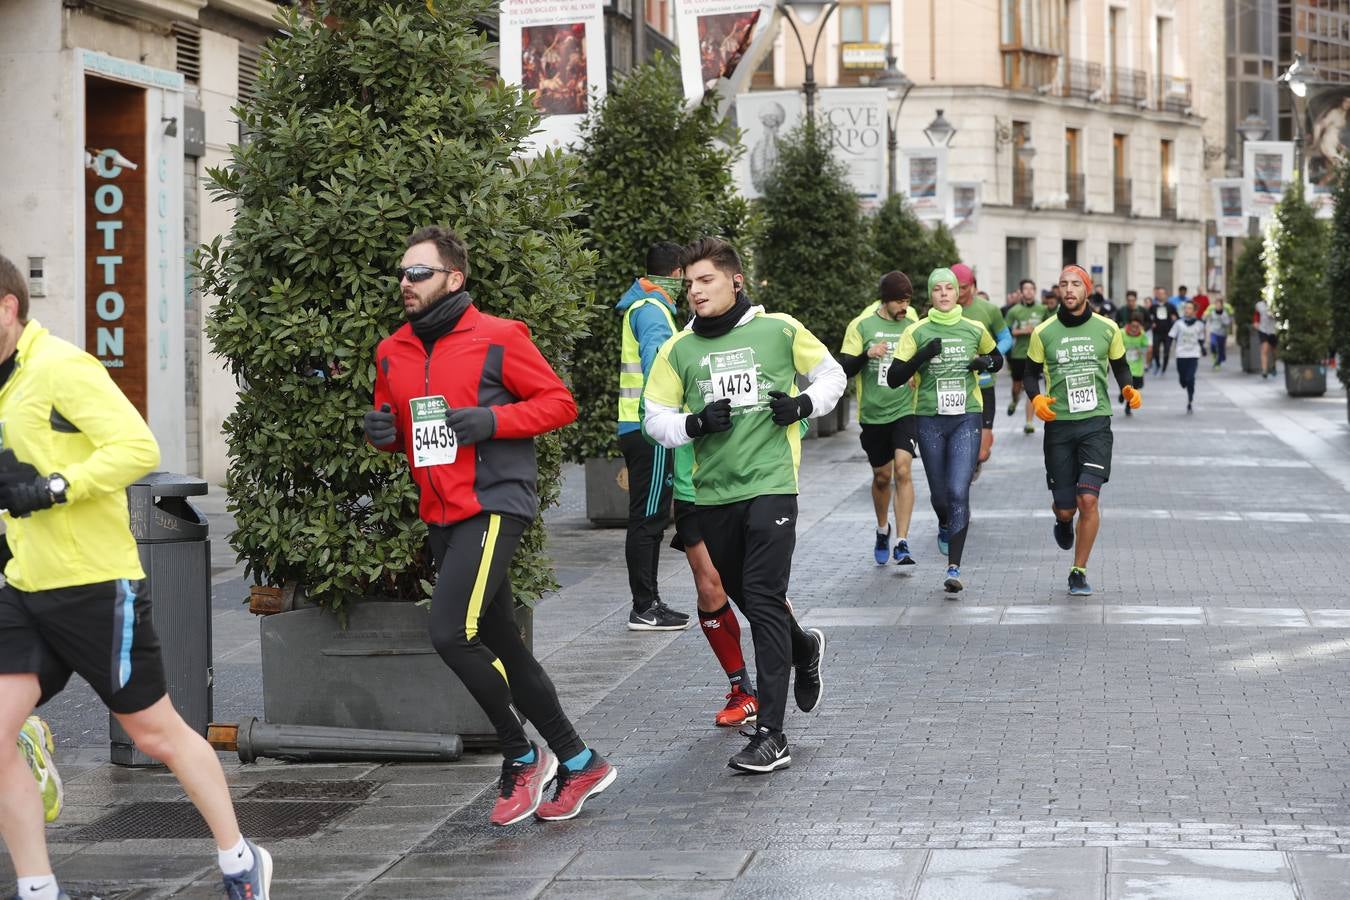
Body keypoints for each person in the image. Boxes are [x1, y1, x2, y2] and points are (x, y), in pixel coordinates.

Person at [0, 254, 273, 900]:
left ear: (7, 307)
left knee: (158, 735)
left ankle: (241, 860)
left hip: (96, 587)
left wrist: (54, 487)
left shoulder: (61, 368)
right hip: (25, 587)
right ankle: (40, 889)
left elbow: (137, 448)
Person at [365, 226, 614, 824]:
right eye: (401, 274)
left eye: (418, 273)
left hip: (494, 502)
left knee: (451, 632)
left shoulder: (500, 336)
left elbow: (560, 404)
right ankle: (580, 762)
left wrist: (490, 420)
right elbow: (400, 429)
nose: (405, 283)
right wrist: (384, 436)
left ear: (455, 278)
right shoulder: (392, 350)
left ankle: (521, 754)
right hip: (440, 512)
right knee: (499, 639)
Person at [643, 237, 839, 774]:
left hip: (773, 483)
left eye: (705, 281)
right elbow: (653, 416)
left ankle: (772, 735)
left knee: (763, 596)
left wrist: (802, 403)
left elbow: (832, 376)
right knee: (752, 602)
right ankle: (803, 648)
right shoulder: (678, 349)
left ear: (735, 281)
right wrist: (695, 424)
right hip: (711, 495)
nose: (695, 292)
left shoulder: (778, 329)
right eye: (689, 284)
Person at [1024, 265, 1140, 597]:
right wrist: (1036, 398)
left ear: (1087, 289)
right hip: (1059, 426)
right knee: (1066, 507)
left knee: (1087, 499)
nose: (1070, 289)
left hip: (1095, 423)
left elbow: (1120, 365)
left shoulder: (1107, 328)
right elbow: (1030, 374)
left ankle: (1079, 570)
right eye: (1064, 284)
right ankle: (1062, 522)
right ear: (1058, 291)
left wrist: (1128, 389)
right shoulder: (1043, 332)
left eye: (1076, 284)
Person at [886, 268, 1002, 594]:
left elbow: (997, 358)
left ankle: (954, 566)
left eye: (949, 288)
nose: (944, 294)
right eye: (937, 289)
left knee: (957, 489)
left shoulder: (974, 328)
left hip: (967, 416)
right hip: (929, 418)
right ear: (931, 295)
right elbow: (894, 377)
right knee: (939, 496)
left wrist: (984, 364)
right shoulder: (917, 330)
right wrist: (922, 356)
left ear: (957, 292)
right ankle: (944, 523)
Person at [615, 242, 692, 632]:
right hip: (650, 428)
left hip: (638, 426)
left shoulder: (643, 305)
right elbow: (657, 361)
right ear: (677, 273)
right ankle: (645, 606)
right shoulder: (653, 309)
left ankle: (647, 603)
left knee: (648, 516)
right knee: (649, 519)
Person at [839, 272, 921, 566]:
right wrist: (867, 353)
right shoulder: (861, 325)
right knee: (882, 477)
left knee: (903, 470)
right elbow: (844, 367)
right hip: (873, 414)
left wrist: (915, 373)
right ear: (885, 300)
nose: (904, 307)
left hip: (905, 410)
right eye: (900, 301)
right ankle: (882, 529)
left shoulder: (913, 322)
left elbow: (922, 356)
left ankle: (902, 541)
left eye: (907, 301)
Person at [952, 264, 1012, 477]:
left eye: (964, 287)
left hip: (984, 383)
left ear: (973, 286)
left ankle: (978, 457)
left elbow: (1006, 338)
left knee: (982, 453)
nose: (959, 292)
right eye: (954, 287)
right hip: (955, 387)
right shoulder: (942, 311)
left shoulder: (989, 309)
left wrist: (989, 358)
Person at [1006, 281, 1048, 435]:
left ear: (1035, 291)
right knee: (1017, 386)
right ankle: (1014, 400)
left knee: (1032, 386)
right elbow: (1007, 331)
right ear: (1021, 292)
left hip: (1036, 355)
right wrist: (1023, 331)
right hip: (1018, 354)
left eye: (1032, 289)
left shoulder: (1042, 309)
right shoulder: (1014, 311)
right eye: (1026, 289)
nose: (1029, 292)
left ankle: (1029, 422)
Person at [1170, 300, 1207, 413]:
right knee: (1183, 380)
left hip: (1193, 354)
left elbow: (1201, 338)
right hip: (1181, 354)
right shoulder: (1178, 323)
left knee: (1190, 378)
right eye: (1185, 308)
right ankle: (1184, 383)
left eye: (1190, 308)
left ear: (1194, 311)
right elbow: (1172, 336)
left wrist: (1203, 348)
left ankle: (1190, 400)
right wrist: (1167, 350)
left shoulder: (1199, 324)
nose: (1187, 310)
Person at [1120, 312, 1152, 417]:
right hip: (1125, 366)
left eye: (1137, 326)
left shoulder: (1142, 335)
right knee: (1127, 386)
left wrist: (1141, 351)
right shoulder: (1122, 333)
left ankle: (1127, 404)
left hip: (1137, 367)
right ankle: (1124, 398)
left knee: (1136, 387)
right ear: (1128, 324)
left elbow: (1146, 347)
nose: (1134, 329)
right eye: (1133, 326)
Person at [1150, 288, 1177, 374]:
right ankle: (1158, 364)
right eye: (1159, 293)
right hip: (1157, 332)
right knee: (1156, 350)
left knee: (1166, 351)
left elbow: (1177, 317)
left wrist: (1174, 318)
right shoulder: (1153, 307)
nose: (1160, 295)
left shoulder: (1170, 306)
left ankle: (1164, 367)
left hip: (1168, 332)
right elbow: (1148, 318)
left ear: (1165, 295)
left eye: (1162, 294)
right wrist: (1152, 323)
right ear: (1156, 295)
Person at [1203, 296, 1234, 368]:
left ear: (1222, 305)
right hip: (1213, 331)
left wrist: (1223, 319)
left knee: (1221, 348)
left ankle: (1218, 362)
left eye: (1219, 305)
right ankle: (1214, 357)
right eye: (1216, 304)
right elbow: (1206, 316)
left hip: (1222, 333)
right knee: (1213, 344)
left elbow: (1228, 322)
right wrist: (1205, 316)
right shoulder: (1212, 310)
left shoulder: (1225, 312)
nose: (1218, 306)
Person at [1255, 296, 1279, 377]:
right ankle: (1264, 370)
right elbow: (1256, 315)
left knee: (1274, 351)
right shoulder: (1259, 305)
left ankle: (1273, 366)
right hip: (1263, 330)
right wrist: (1256, 322)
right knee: (1264, 349)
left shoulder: (1276, 304)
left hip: (1273, 330)